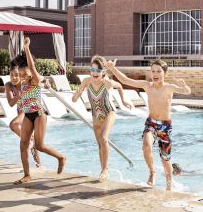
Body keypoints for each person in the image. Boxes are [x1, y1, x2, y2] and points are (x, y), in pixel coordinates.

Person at [105, 59, 191, 191]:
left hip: (165, 127)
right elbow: (126, 81)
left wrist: (184, 87)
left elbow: (186, 92)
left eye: (159, 71)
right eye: (153, 71)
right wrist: (112, 69)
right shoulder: (147, 85)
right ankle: (152, 172)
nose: (155, 74)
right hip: (151, 123)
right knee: (146, 146)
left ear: (165, 74)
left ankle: (169, 186)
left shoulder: (169, 87)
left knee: (165, 160)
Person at [13, 37, 66, 184]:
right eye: (20, 75)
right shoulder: (23, 84)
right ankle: (27, 175)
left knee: (39, 146)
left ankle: (61, 157)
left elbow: (31, 65)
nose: (22, 77)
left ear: (31, 72)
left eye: (25, 74)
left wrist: (27, 48)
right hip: (28, 116)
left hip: (39, 115)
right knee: (23, 144)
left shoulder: (35, 80)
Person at [72, 55, 132, 182]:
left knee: (104, 139)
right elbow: (74, 100)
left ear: (103, 72)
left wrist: (123, 100)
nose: (94, 73)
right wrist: (77, 93)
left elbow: (120, 86)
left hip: (109, 114)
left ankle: (105, 169)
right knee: (100, 145)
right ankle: (103, 170)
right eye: (92, 70)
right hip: (95, 118)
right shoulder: (86, 81)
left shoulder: (106, 82)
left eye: (98, 71)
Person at [5, 61, 41, 168]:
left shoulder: (26, 83)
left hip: (29, 111)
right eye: (12, 75)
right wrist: (19, 94)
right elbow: (11, 103)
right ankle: (39, 165)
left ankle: (30, 141)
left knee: (13, 125)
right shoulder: (9, 86)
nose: (14, 77)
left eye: (17, 75)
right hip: (21, 112)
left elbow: (38, 80)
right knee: (32, 143)